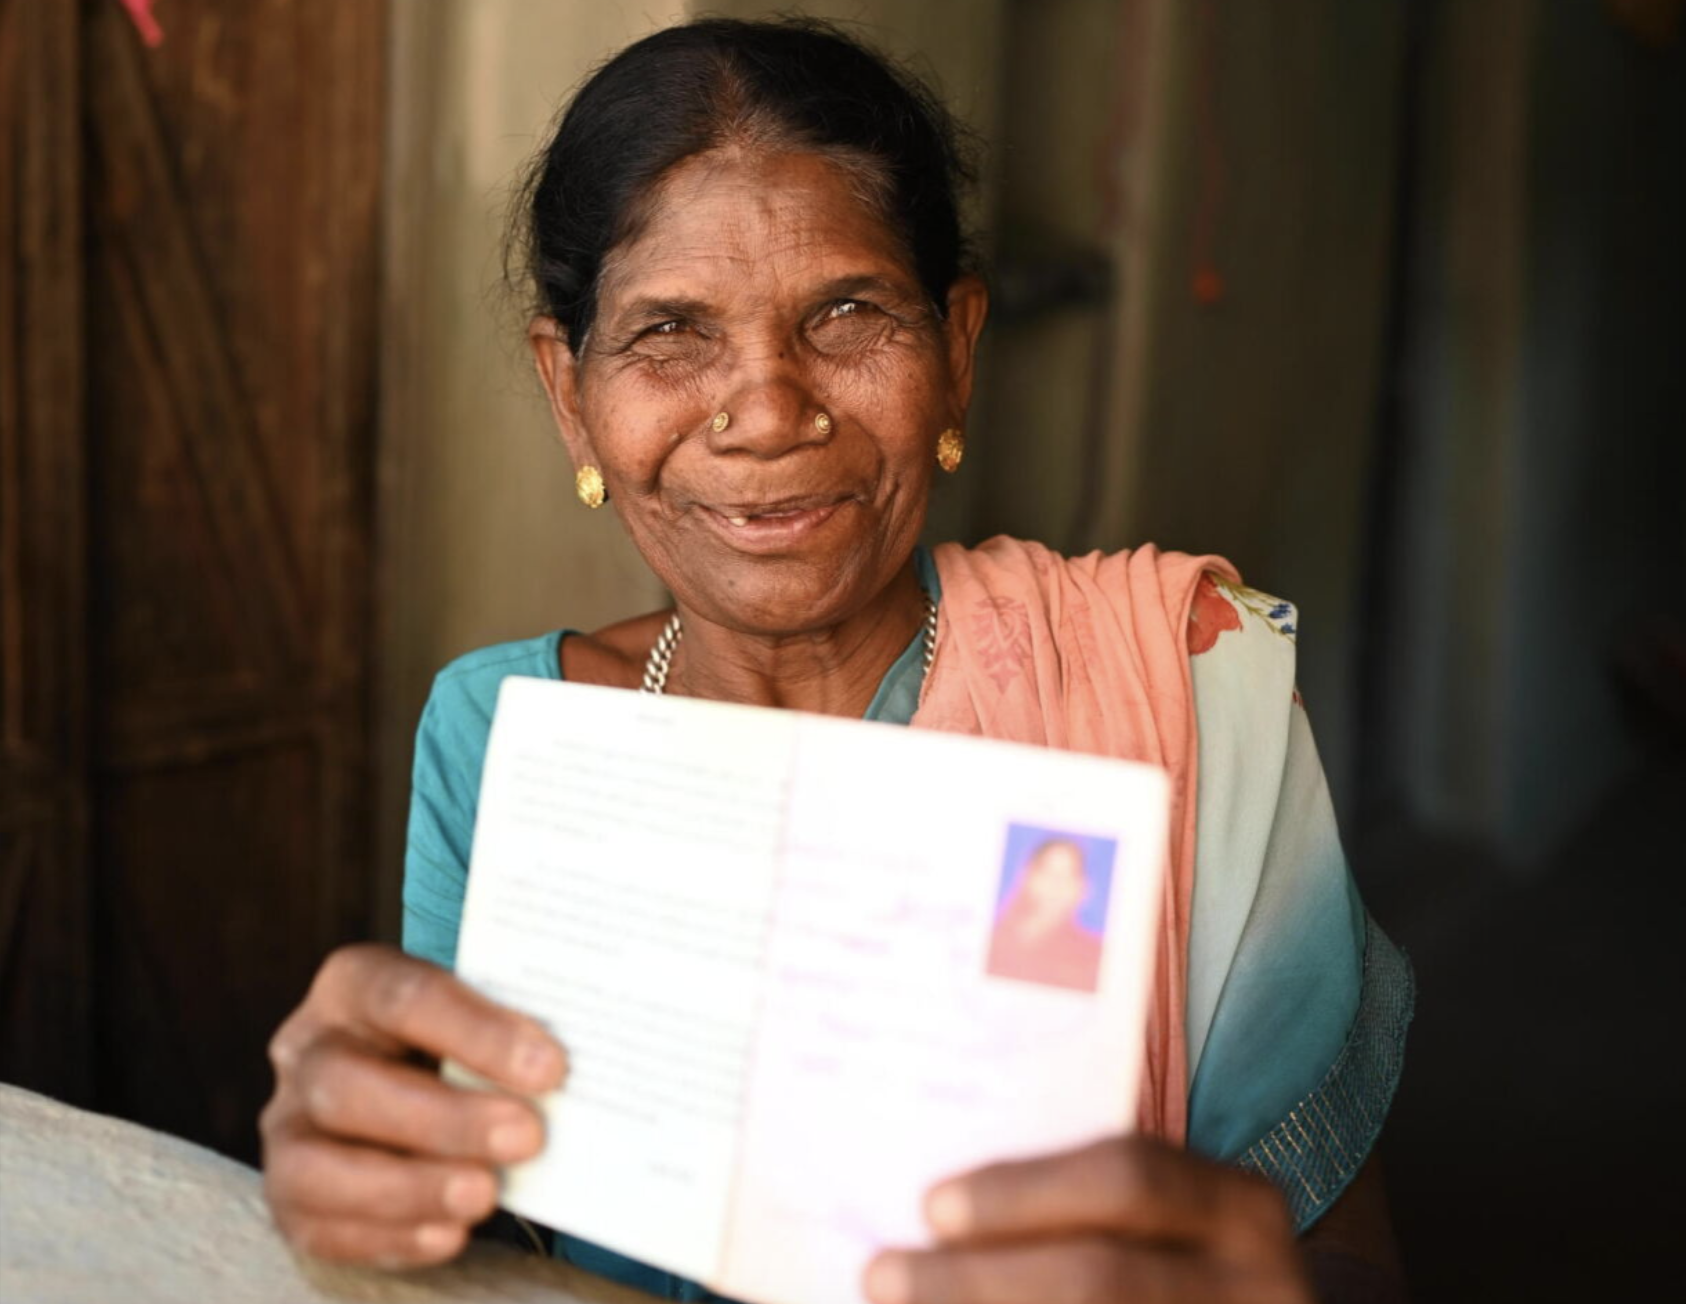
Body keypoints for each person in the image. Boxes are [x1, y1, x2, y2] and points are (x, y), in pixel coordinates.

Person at [260, 17, 1411, 1302]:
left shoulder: (1184, 685)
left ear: (958, 349)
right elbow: (471, 1235)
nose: (767, 409)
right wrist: (370, 1172)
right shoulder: (505, 733)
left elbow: (1345, 1259)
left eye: (848, 312)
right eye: (668, 333)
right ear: (569, 391)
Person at [986, 838, 1106, 992]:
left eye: (1068, 875)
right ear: (1029, 877)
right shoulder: (994, 938)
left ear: (1082, 888)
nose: (1057, 885)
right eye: (1049, 873)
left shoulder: (1094, 955)